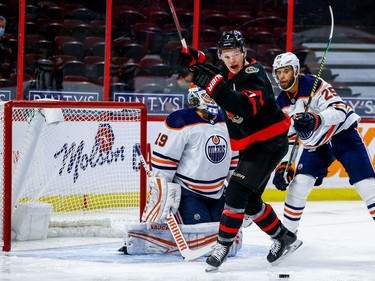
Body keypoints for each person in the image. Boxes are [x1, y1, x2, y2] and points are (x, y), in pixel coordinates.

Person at [179, 30, 302, 271]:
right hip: (252, 144)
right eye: (226, 55)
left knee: (235, 191)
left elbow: (244, 106)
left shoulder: (255, 75)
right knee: (250, 201)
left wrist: (214, 86)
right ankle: (283, 238)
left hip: (269, 142)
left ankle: (222, 246)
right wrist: (197, 61)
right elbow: (216, 77)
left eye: (235, 54)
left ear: (244, 53)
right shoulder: (228, 69)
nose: (231, 60)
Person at [121, 85, 242, 257]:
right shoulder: (180, 120)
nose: (214, 99)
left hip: (217, 193)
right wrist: (162, 196)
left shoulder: (228, 121)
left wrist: (241, 193)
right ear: (196, 98)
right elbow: (164, 163)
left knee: (224, 238)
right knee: (200, 238)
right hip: (189, 193)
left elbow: (234, 162)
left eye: (215, 94)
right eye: (208, 95)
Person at [271, 52, 375, 234]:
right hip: (316, 147)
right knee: (298, 186)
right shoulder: (281, 104)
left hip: (343, 136)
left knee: (366, 185)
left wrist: (316, 119)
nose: (282, 76)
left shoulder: (314, 84)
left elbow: (340, 110)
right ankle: (286, 237)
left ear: (295, 70)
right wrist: (284, 166)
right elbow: (288, 139)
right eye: (278, 72)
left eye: (285, 71)